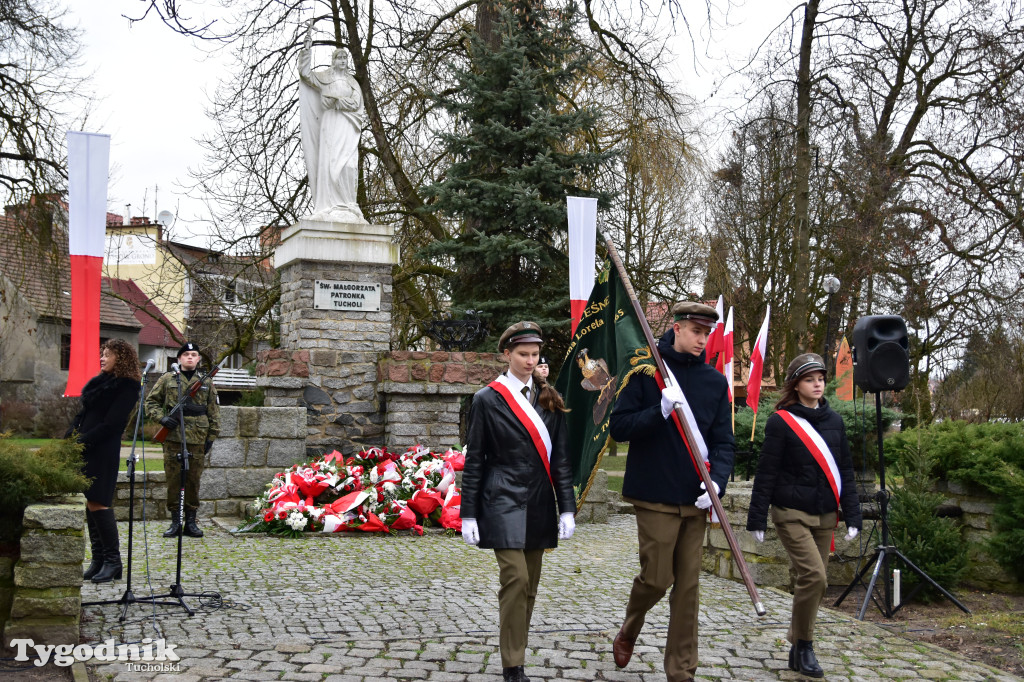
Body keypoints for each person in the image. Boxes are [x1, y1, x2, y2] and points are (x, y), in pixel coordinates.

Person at [608, 301, 735, 682]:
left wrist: (718, 483)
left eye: (707, 334)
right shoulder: (648, 372)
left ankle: (682, 672)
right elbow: (619, 427)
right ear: (677, 328)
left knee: (688, 590)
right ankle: (631, 627)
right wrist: (658, 411)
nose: (702, 340)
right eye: (696, 332)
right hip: (654, 493)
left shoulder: (715, 382)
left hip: (696, 497)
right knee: (657, 580)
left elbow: (724, 442)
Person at [460, 321, 577, 682]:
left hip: (540, 502)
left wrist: (568, 507)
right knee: (515, 578)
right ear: (507, 354)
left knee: (530, 585)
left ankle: (517, 651)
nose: (530, 361)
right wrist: (468, 515)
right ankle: (513, 665)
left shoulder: (550, 398)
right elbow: (475, 458)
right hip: (501, 499)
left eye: (535, 354)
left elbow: (560, 460)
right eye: (523, 354)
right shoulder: (486, 399)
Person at [745, 353, 862, 679]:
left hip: (826, 516)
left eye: (821, 378)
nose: (817, 384)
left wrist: (853, 515)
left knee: (809, 582)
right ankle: (806, 645)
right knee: (816, 578)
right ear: (796, 384)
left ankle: (797, 647)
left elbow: (846, 473)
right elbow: (766, 472)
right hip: (791, 513)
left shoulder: (835, 422)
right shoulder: (780, 422)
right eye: (810, 379)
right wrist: (757, 519)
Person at [68, 339, 142, 583]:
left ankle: (113, 562)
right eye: (102, 353)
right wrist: (70, 436)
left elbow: (112, 424)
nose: (102, 358)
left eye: (107, 354)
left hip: (103, 448)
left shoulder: (128, 386)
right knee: (90, 501)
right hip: (87, 447)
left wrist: (84, 441)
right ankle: (98, 559)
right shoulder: (100, 382)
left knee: (99, 500)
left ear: (120, 358)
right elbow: (84, 413)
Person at [145, 342, 220, 539]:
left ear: (198, 359)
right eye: (185, 354)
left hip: (197, 438)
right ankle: (175, 522)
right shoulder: (168, 379)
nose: (189, 357)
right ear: (179, 359)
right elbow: (150, 402)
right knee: (173, 480)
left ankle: (191, 522)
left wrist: (210, 438)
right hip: (173, 437)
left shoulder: (207, 382)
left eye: (194, 354)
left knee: (193, 480)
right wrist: (162, 418)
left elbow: (214, 412)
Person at [297, 20, 366, 223]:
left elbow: (356, 104)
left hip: (347, 126)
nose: (343, 60)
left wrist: (337, 102)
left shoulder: (352, 82)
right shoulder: (325, 77)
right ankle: (331, 205)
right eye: (339, 57)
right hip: (331, 124)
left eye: (345, 57)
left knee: (350, 164)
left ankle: (349, 204)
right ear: (333, 60)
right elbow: (306, 74)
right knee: (331, 161)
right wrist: (307, 49)